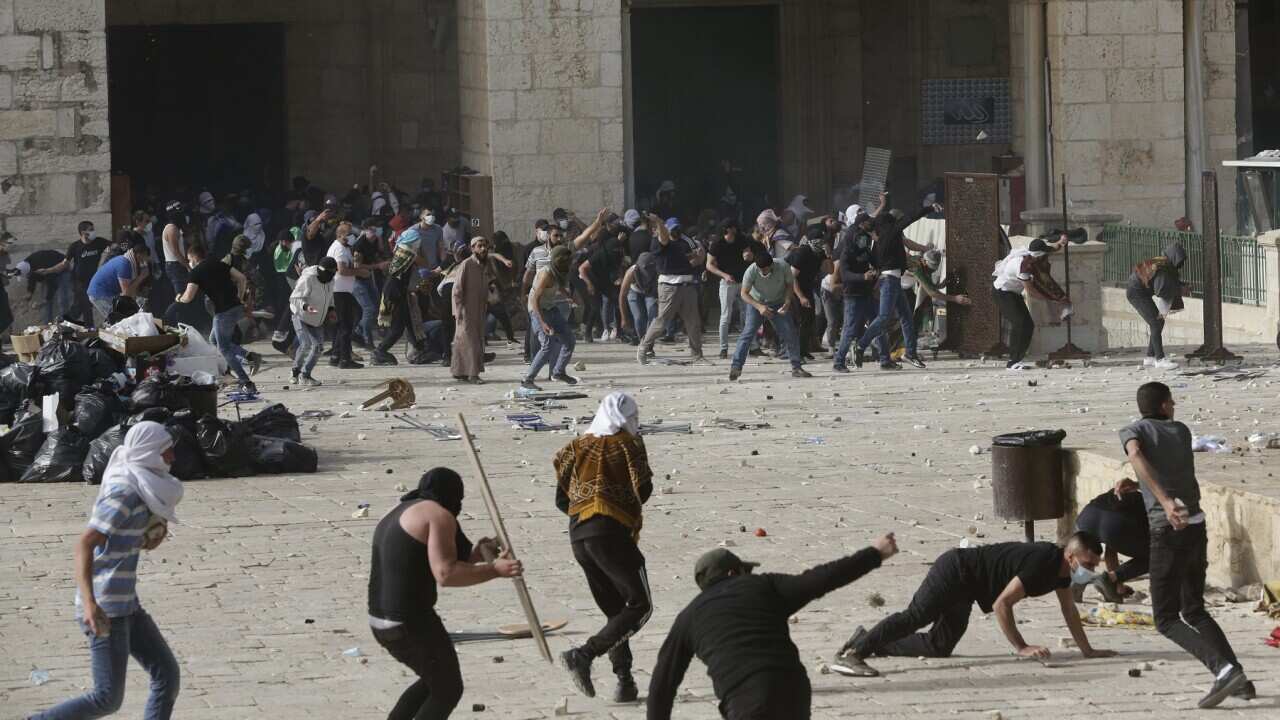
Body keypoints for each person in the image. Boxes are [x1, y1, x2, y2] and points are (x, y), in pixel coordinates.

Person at [647, 535, 899, 720]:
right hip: (793, 690)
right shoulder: (765, 586)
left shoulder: (688, 618)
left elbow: (662, 685)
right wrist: (875, 553)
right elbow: (823, 578)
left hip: (746, 700)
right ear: (734, 572)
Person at [29, 422, 183, 720]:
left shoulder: (143, 485)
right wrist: (90, 603)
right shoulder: (124, 492)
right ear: (149, 452)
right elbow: (85, 545)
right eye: (167, 451)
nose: (172, 458)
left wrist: (147, 538)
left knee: (167, 675)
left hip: (127, 604)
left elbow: (121, 541)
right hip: (106, 607)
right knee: (107, 698)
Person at [1121, 382, 1253, 707]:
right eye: (1172, 401)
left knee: (1166, 618)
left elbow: (1136, 454)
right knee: (1194, 609)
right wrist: (1141, 486)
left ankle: (1223, 670)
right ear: (1164, 406)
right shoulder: (1180, 431)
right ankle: (1239, 680)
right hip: (1195, 525)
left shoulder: (1133, 431)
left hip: (1167, 531)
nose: (1174, 406)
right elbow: (1167, 469)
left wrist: (1164, 501)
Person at [829, 533, 1115, 678]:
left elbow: (1069, 611)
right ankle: (854, 654)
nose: (1090, 570)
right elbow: (1002, 604)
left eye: (1094, 565)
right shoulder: (1042, 563)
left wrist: (1087, 650)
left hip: (969, 587)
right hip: (956, 570)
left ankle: (869, 639)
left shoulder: (1062, 574)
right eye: (1088, 563)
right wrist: (1022, 647)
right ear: (1071, 557)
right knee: (916, 616)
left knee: (939, 646)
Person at [368, 468, 523, 720]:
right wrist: (495, 570)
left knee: (433, 681)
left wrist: (478, 554)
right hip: (410, 622)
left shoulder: (401, 509)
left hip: (380, 622)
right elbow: (446, 574)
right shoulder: (438, 515)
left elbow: (436, 559)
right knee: (447, 690)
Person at [554, 392, 654, 703]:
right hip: (610, 535)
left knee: (616, 611)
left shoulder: (575, 446)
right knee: (639, 606)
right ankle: (583, 654)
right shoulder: (628, 444)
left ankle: (625, 681)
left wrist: (586, 510)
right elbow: (643, 488)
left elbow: (561, 499)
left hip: (579, 537)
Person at [849, 197, 942, 370]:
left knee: (906, 317)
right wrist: (929, 208)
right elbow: (910, 218)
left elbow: (877, 262)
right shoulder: (890, 232)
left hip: (893, 280)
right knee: (884, 317)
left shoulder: (878, 242)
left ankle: (910, 353)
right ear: (890, 223)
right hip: (890, 281)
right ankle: (860, 345)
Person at [177, 243, 258, 394]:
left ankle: (246, 382)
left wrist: (179, 298)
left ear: (194, 257)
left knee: (223, 348)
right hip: (236, 307)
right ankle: (249, 356)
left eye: (189, 259)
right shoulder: (219, 263)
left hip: (224, 312)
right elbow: (242, 278)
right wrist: (239, 297)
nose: (189, 263)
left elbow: (188, 297)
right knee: (214, 340)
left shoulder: (196, 272)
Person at [729, 243, 811, 381]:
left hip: (778, 302)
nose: (763, 272)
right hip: (756, 303)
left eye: (766, 269)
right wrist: (760, 307)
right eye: (761, 269)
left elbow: (789, 285)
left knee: (790, 333)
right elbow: (744, 294)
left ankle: (796, 367)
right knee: (748, 333)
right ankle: (736, 367)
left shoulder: (783, 266)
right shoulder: (751, 271)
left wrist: (787, 302)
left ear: (772, 265)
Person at [991, 237, 1071, 371]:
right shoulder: (1022, 267)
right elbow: (1031, 292)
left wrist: (1061, 242)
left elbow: (1052, 248)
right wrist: (1053, 300)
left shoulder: (1034, 255)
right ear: (1038, 256)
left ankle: (1018, 359)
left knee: (1028, 325)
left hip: (1014, 293)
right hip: (1002, 293)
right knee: (1020, 323)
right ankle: (1013, 362)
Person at [636, 215, 705, 364]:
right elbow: (664, 240)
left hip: (687, 285)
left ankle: (697, 355)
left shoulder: (683, 242)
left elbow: (689, 260)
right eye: (672, 229)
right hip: (669, 287)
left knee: (693, 322)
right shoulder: (658, 242)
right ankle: (643, 347)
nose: (676, 232)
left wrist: (698, 257)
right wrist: (659, 222)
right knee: (661, 322)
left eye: (677, 229)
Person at [1073, 478, 1149, 603]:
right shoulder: (1154, 502)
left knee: (1095, 550)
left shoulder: (1123, 494)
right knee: (1158, 555)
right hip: (1115, 524)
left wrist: (1119, 588)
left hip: (1087, 517)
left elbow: (1111, 548)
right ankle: (1110, 578)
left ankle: (1079, 581)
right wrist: (1116, 577)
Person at [522, 245, 578, 389]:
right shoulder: (546, 274)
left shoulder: (559, 272)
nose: (568, 265)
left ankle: (558, 372)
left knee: (569, 340)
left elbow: (559, 285)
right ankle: (528, 379)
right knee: (547, 344)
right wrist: (542, 323)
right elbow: (535, 299)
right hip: (537, 310)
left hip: (551, 308)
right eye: (565, 262)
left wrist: (568, 296)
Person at [1126, 242, 1186, 370]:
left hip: (1141, 292)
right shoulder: (1161, 268)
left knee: (1159, 322)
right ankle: (1160, 359)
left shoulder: (1163, 263)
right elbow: (1161, 290)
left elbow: (1168, 281)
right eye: (1178, 260)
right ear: (1174, 257)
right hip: (1136, 293)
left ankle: (1150, 357)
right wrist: (1178, 290)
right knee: (1155, 323)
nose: (1179, 265)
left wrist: (1180, 285)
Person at [46, 220, 109, 326]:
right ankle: (90, 328)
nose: (94, 232)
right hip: (78, 282)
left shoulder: (99, 242)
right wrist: (49, 270)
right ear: (83, 233)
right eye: (91, 230)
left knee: (78, 309)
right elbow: (64, 263)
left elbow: (115, 245)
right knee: (86, 304)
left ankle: (62, 322)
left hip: (93, 280)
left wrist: (110, 252)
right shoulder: (75, 246)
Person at [706, 219, 751, 359]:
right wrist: (724, 275)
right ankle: (723, 348)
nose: (735, 231)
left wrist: (748, 256)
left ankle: (750, 346)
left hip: (743, 282)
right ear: (727, 229)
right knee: (726, 315)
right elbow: (709, 265)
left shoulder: (742, 239)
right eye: (732, 228)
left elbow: (748, 254)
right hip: (727, 283)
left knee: (747, 314)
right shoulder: (717, 244)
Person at [288, 257, 337, 387]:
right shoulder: (308, 278)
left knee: (318, 348)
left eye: (333, 273)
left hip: (316, 319)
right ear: (322, 271)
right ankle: (297, 373)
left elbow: (330, 298)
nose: (331, 277)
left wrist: (331, 310)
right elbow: (294, 298)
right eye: (329, 273)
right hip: (300, 316)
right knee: (306, 344)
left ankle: (304, 374)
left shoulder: (331, 281)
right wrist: (306, 307)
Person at [450, 236, 492, 384]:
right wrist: (458, 311)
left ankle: (459, 372)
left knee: (467, 341)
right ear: (472, 248)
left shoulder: (484, 265)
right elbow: (457, 290)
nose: (483, 249)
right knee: (470, 342)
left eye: (485, 246)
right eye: (479, 246)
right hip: (466, 310)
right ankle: (473, 374)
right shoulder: (466, 264)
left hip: (479, 309)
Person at [86, 239, 151, 327]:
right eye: (146, 258)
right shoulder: (124, 264)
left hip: (108, 293)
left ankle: (106, 328)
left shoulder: (128, 261)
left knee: (119, 318)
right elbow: (126, 293)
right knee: (117, 320)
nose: (146, 261)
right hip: (100, 294)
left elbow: (130, 290)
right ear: (139, 255)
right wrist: (141, 277)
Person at [326, 222, 364, 370]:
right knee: (346, 325)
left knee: (347, 322)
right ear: (341, 235)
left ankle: (336, 356)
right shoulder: (339, 249)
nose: (352, 236)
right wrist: (360, 272)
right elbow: (341, 270)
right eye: (349, 234)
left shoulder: (345, 248)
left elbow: (349, 266)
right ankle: (345, 359)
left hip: (344, 290)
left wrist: (357, 263)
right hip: (339, 291)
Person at [15, 245, 71, 323]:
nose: (27, 277)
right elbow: (31, 279)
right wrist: (29, 293)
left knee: (62, 299)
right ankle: (47, 325)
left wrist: (44, 300)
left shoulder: (41, 266)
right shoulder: (25, 264)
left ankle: (65, 323)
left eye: (27, 275)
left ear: (29, 271)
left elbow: (52, 285)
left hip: (62, 269)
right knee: (46, 302)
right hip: (47, 273)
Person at [619, 251, 658, 346]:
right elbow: (622, 296)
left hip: (650, 292)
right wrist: (624, 318)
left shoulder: (659, 270)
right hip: (634, 291)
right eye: (644, 268)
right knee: (639, 317)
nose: (647, 270)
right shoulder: (630, 272)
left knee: (653, 315)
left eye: (649, 268)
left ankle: (649, 344)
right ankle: (642, 343)